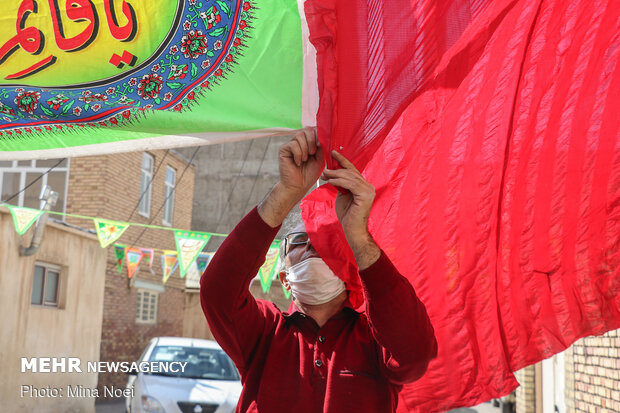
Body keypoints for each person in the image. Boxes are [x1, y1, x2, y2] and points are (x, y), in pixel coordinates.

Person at [201, 128, 437, 413]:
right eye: (301, 242)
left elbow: (415, 353)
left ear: (349, 271)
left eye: (328, 245)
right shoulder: (264, 332)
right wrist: (287, 192)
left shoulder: (375, 341)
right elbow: (217, 291)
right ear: (284, 279)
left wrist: (359, 237)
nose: (314, 248)